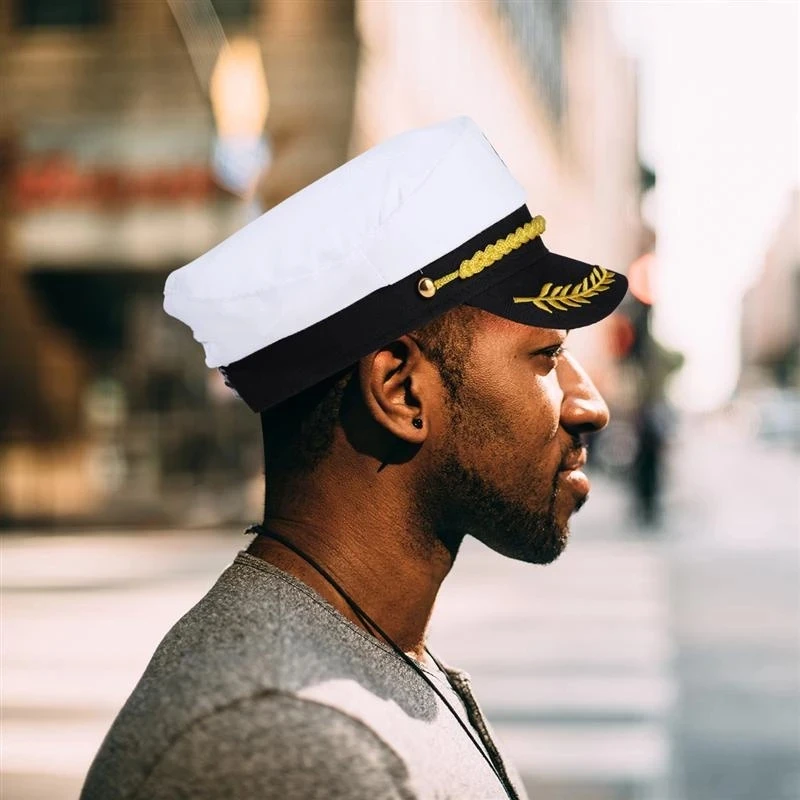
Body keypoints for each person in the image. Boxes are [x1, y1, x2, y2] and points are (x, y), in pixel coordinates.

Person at [81, 117, 627, 800]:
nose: (590, 405)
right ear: (400, 390)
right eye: (546, 356)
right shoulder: (285, 746)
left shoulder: (370, 658)